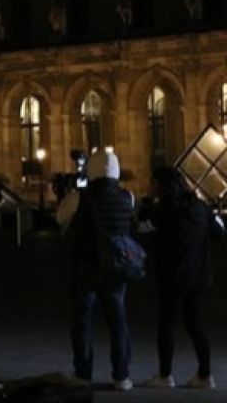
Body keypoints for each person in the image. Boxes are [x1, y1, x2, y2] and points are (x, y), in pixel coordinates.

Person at [55, 149, 135, 391]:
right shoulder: (128, 197)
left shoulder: (79, 198)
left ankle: (83, 373)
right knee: (118, 321)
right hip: (116, 266)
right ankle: (121, 375)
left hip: (86, 265)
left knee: (83, 321)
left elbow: (60, 218)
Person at [139, 167, 222, 389]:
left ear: (161, 187)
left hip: (172, 275)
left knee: (167, 324)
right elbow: (218, 233)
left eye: (153, 183)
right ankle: (205, 375)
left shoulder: (162, 210)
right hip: (198, 274)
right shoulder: (201, 208)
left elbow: (144, 230)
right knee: (196, 324)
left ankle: (165, 375)